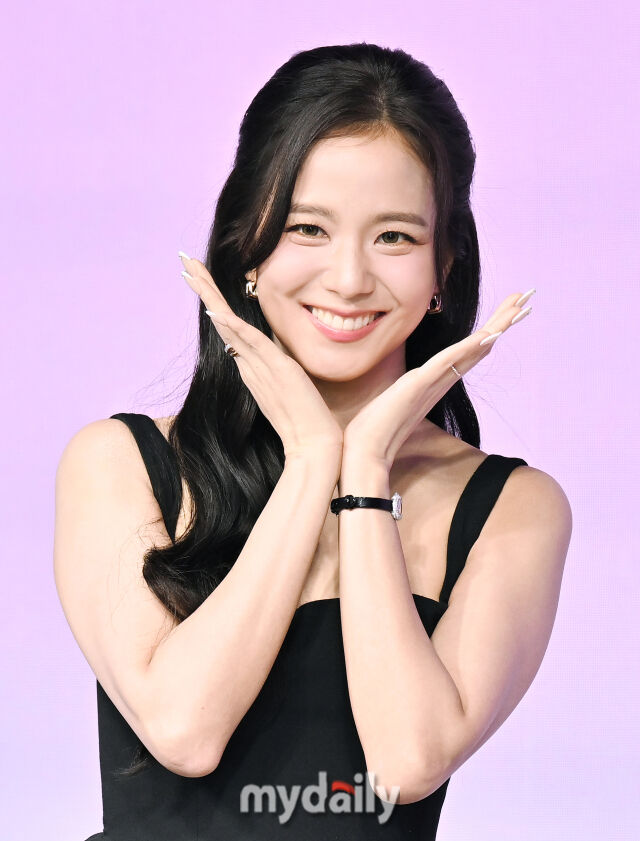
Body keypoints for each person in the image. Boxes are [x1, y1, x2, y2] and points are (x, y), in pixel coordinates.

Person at [53, 42, 572, 840]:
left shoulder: (512, 509)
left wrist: (362, 475)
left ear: (444, 265)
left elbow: (406, 761)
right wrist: (309, 467)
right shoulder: (120, 464)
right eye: (308, 228)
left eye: (394, 237)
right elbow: (183, 729)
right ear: (248, 245)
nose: (350, 278)